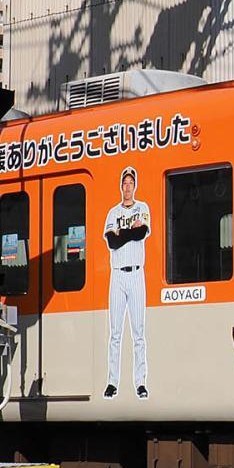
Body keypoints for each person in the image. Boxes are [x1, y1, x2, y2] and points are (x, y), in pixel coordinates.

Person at [102, 166, 151, 400]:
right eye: (125, 183)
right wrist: (129, 231)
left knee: (138, 332)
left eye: (131, 183)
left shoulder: (143, 207)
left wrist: (124, 233)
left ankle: (140, 383)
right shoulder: (113, 212)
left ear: (135, 185)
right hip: (118, 275)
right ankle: (112, 382)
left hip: (137, 274)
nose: (128, 186)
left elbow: (141, 233)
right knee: (115, 332)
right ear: (121, 186)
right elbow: (111, 241)